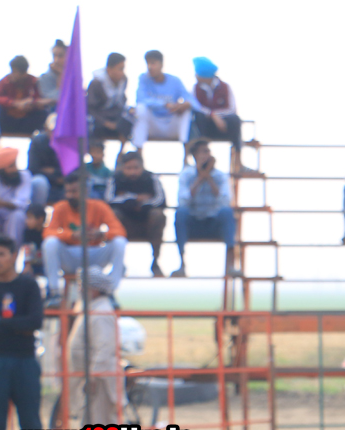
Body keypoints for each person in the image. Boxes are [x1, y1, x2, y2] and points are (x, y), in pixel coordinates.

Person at [0, 234, 50, 430]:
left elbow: (35, 321)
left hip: (25, 361)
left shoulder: (28, 285)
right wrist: (16, 326)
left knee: (32, 422)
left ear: (14, 256)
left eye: (1, 254)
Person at [67, 267, 123, 430]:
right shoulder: (90, 309)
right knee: (107, 423)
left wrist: (94, 376)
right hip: (92, 375)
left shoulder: (101, 313)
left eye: (83, 285)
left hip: (99, 378)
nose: (80, 289)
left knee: (95, 427)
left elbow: (105, 347)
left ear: (95, 289)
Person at [42, 171, 128, 297]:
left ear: (85, 191)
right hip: (70, 255)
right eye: (68, 192)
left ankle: (111, 290)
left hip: (94, 255)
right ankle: (53, 291)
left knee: (120, 242)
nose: (70, 195)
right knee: (50, 243)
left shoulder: (99, 206)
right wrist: (72, 235)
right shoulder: (60, 207)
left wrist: (102, 234)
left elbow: (120, 231)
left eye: (74, 191)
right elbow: (47, 232)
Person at [174, 139, 235, 277]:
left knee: (227, 212)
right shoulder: (187, 174)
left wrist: (208, 177)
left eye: (208, 152)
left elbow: (225, 201)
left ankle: (231, 265)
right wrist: (200, 178)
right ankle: (182, 264)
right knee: (180, 213)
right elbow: (183, 201)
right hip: (194, 223)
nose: (207, 155)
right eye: (203, 152)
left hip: (214, 223)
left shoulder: (220, 175)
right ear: (195, 155)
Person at [190, 57, 259, 176]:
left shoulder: (225, 87)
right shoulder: (196, 89)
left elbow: (231, 109)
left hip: (224, 126)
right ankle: (201, 160)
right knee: (198, 117)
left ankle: (238, 163)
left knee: (235, 120)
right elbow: (196, 107)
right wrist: (212, 115)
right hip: (205, 127)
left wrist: (217, 116)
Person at [106, 152, 167, 276]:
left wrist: (144, 205)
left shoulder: (151, 178)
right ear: (122, 168)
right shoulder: (115, 179)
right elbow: (109, 200)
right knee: (114, 214)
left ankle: (156, 262)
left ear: (142, 166)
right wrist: (132, 200)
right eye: (128, 168)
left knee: (158, 215)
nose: (132, 172)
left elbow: (161, 200)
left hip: (147, 224)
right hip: (125, 225)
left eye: (136, 168)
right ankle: (118, 264)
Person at [133, 51, 194, 153]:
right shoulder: (143, 78)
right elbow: (140, 99)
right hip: (152, 124)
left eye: (153, 63)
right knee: (140, 108)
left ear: (161, 64)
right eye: (148, 63)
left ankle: (186, 155)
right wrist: (164, 104)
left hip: (171, 124)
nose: (150, 67)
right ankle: (138, 154)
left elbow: (191, 99)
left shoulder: (175, 81)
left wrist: (185, 104)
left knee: (187, 111)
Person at [0, 56, 47, 136]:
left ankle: (41, 136)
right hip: (9, 119)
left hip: (27, 119)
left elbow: (40, 98)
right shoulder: (5, 82)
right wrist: (13, 103)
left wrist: (31, 103)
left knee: (43, 111)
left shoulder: (33, 81)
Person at [86, 53, 132, 143]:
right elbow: (90, 108)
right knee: (91, 127)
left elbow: (121, 101)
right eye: (120, 69)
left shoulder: (123, 80)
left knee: (130, 121)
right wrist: (106, 123)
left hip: (115, 116)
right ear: (109, 69)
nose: (122, 73)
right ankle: (96, 150)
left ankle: (122, 150)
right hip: (99, 119)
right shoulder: (97, 83)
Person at [0, 148, 32, 242]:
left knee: (18, 215)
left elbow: (22, 204)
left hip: (12, 214)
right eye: (11, 166)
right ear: (1, 170)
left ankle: (12, 249)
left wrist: (2, 203)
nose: (15, 169)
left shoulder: (24, 175)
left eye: (15, 164)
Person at [28, 114, 63, 207]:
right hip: (46, 182)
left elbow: (73, 169)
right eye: (53, 130)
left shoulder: (70, 142)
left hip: (65, 183)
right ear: (46, 129)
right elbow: (33, 169)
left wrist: (54, 171)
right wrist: (56, 177)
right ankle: (37, 213)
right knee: (39, 182)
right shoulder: (37, 142)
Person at [37, 41, 67, 106]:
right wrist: (61, 75)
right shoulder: (44, 78)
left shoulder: (73, 77)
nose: (56, 60)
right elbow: (55, 98)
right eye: (54, 56)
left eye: (60, 56)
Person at [21, 204, 46, 282]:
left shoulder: (46, 233)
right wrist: (28, 265)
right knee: (25, 276)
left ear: (40, 219)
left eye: (30, 218)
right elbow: (27, 250)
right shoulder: (27, 232)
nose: (26, 221)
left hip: (45, 264)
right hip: (32, 264)